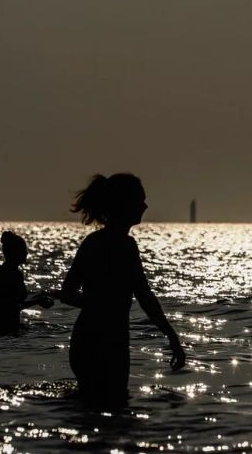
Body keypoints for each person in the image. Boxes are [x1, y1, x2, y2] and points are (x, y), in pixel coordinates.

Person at [56, 173, 186, 408]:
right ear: (125, 204)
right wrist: (171, 336)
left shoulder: (94, 242)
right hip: (107, 341)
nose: (145, 206)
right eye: (140, 200)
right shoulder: (123, 246)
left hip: (89, 339)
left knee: (91, 409)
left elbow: (67, 293)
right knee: (115, 411)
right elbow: (144, 296)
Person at [0, 231, 53, 335]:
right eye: (23, 250)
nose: (26, 253)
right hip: (3, 330)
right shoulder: (5, 275)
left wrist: (38, 298)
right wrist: (36, 302)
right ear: (15, 252)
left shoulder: (11, 274)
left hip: (4, 328)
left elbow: (12, 304)